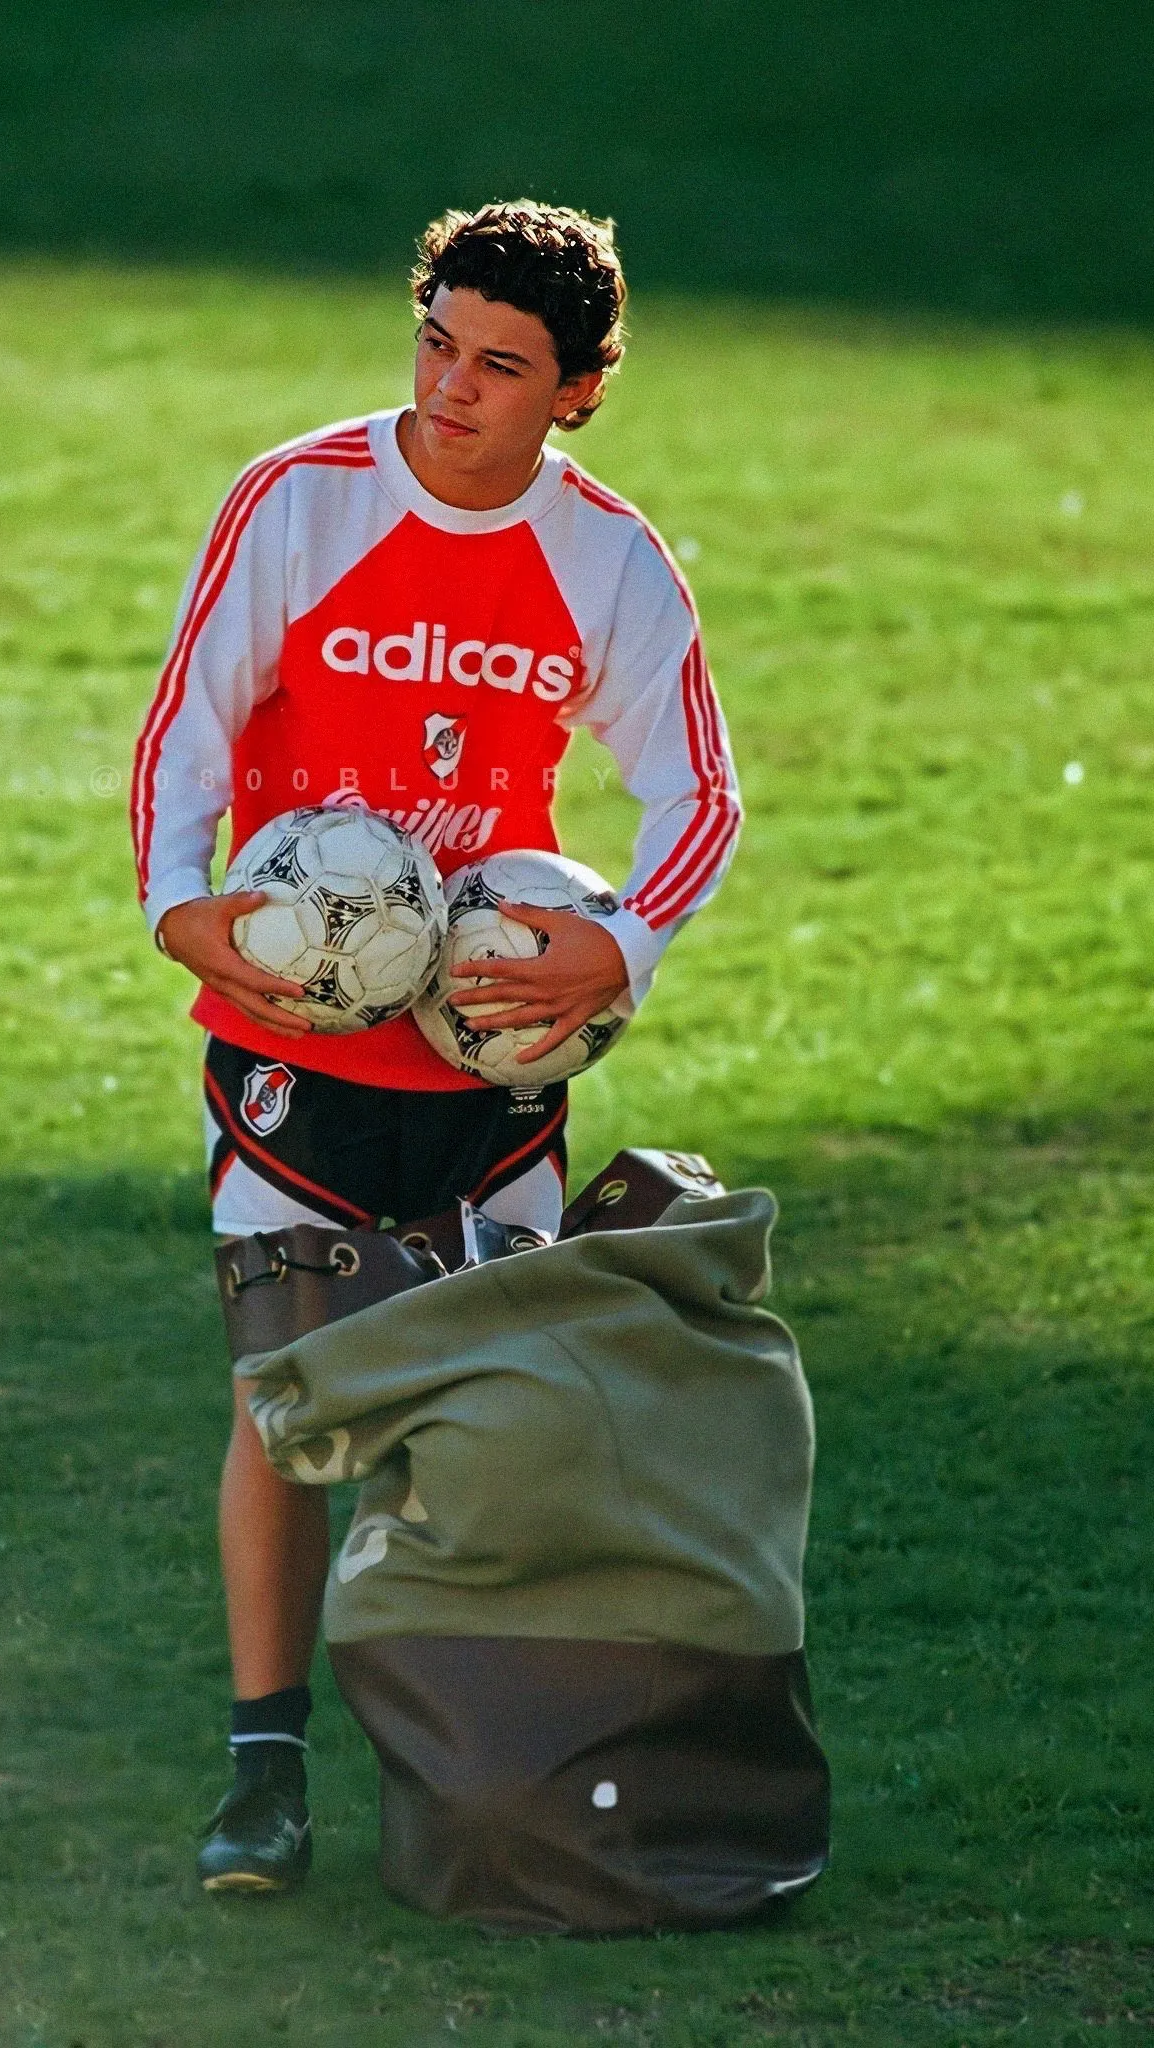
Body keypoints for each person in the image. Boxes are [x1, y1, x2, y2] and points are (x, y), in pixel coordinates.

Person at [130, 200, 741, 1893]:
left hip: (495, 1072)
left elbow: (701, 794)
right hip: (290, 1045)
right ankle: (264, 1773)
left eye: (500, 366)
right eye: (437, 343)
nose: (451, 390)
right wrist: (178, 903)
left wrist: (615, 942)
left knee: (499, 1417)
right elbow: (188, 716)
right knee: (285, 1402)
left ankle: (487, 1774)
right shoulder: (299, 500)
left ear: (579, 391)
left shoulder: (608, 556)